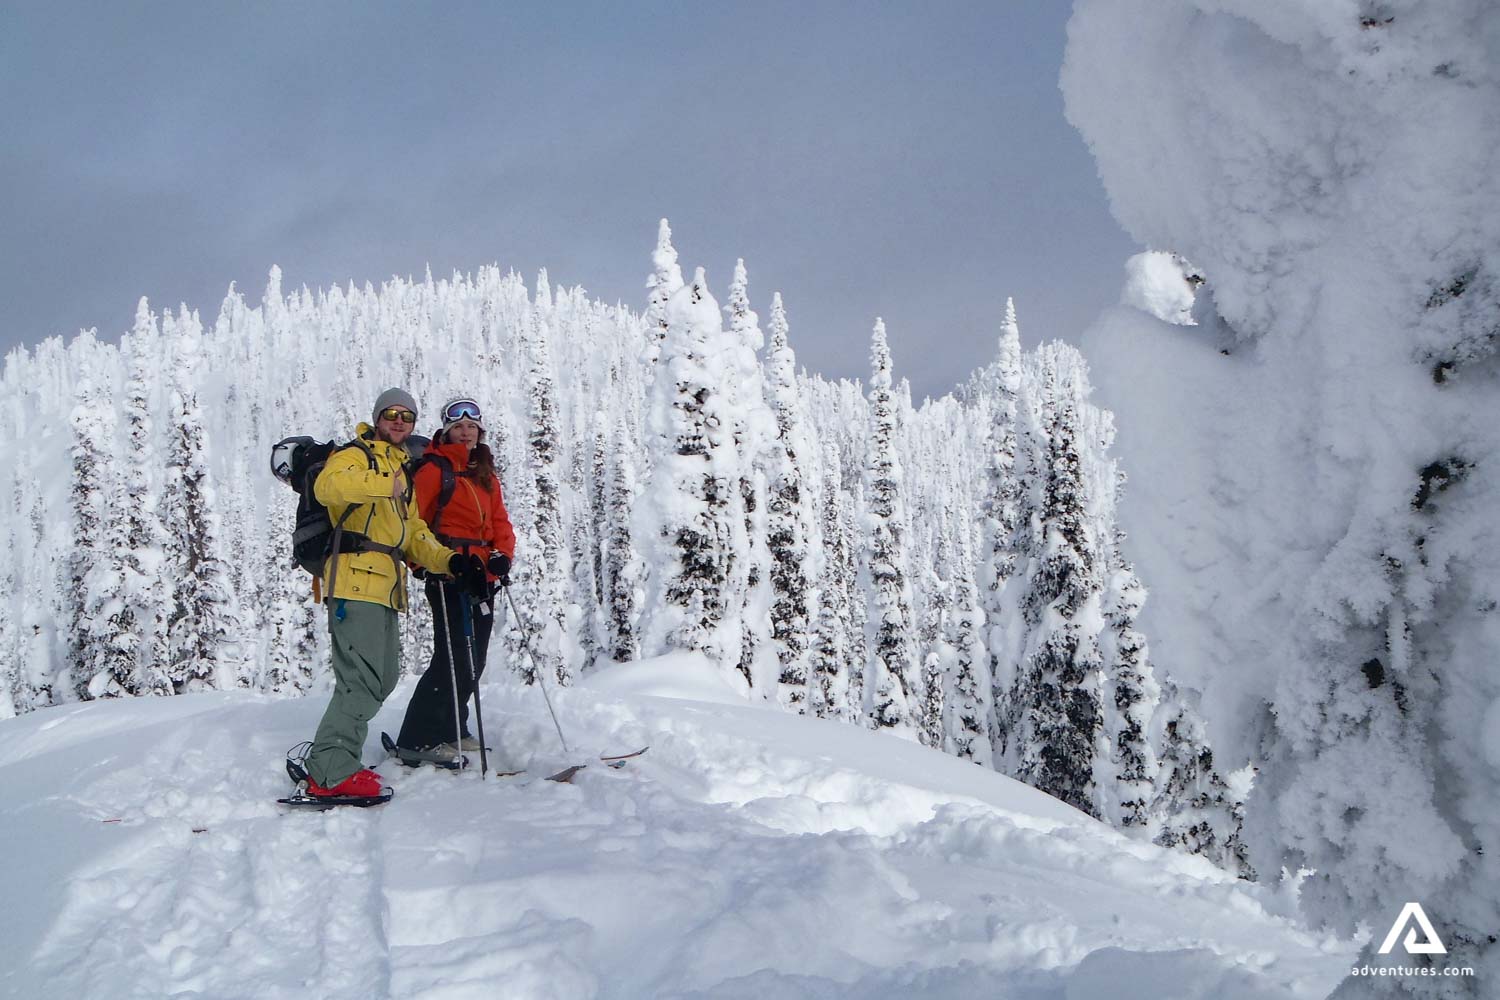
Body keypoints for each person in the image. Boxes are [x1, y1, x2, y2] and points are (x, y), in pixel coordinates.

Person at [303, 388, 489, 798]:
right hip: (354, 579)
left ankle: (335, 762)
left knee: (381, 679)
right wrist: (385, 481)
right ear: (377, 418)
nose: (400, 421)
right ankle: (330, 772)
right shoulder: (355, 456)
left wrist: (451, 562)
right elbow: (329, 488)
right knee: (361, 681)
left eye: (407, 416)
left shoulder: (400, 469)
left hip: (385, 585)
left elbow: (415, 535)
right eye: (391, 414)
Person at [395, 396, 516, 757]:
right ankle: (416, 739)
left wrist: (502, 557)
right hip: (448, 574)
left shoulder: (484, 474)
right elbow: (413, 522)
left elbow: (500, 523)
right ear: (447, 432)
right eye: (459, 427)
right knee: (452, 657)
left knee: (474, 658)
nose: (466, 433)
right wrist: (428, 566)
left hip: (482, 577)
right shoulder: (434, 470)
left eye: (472, 427)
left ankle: (451, 727)